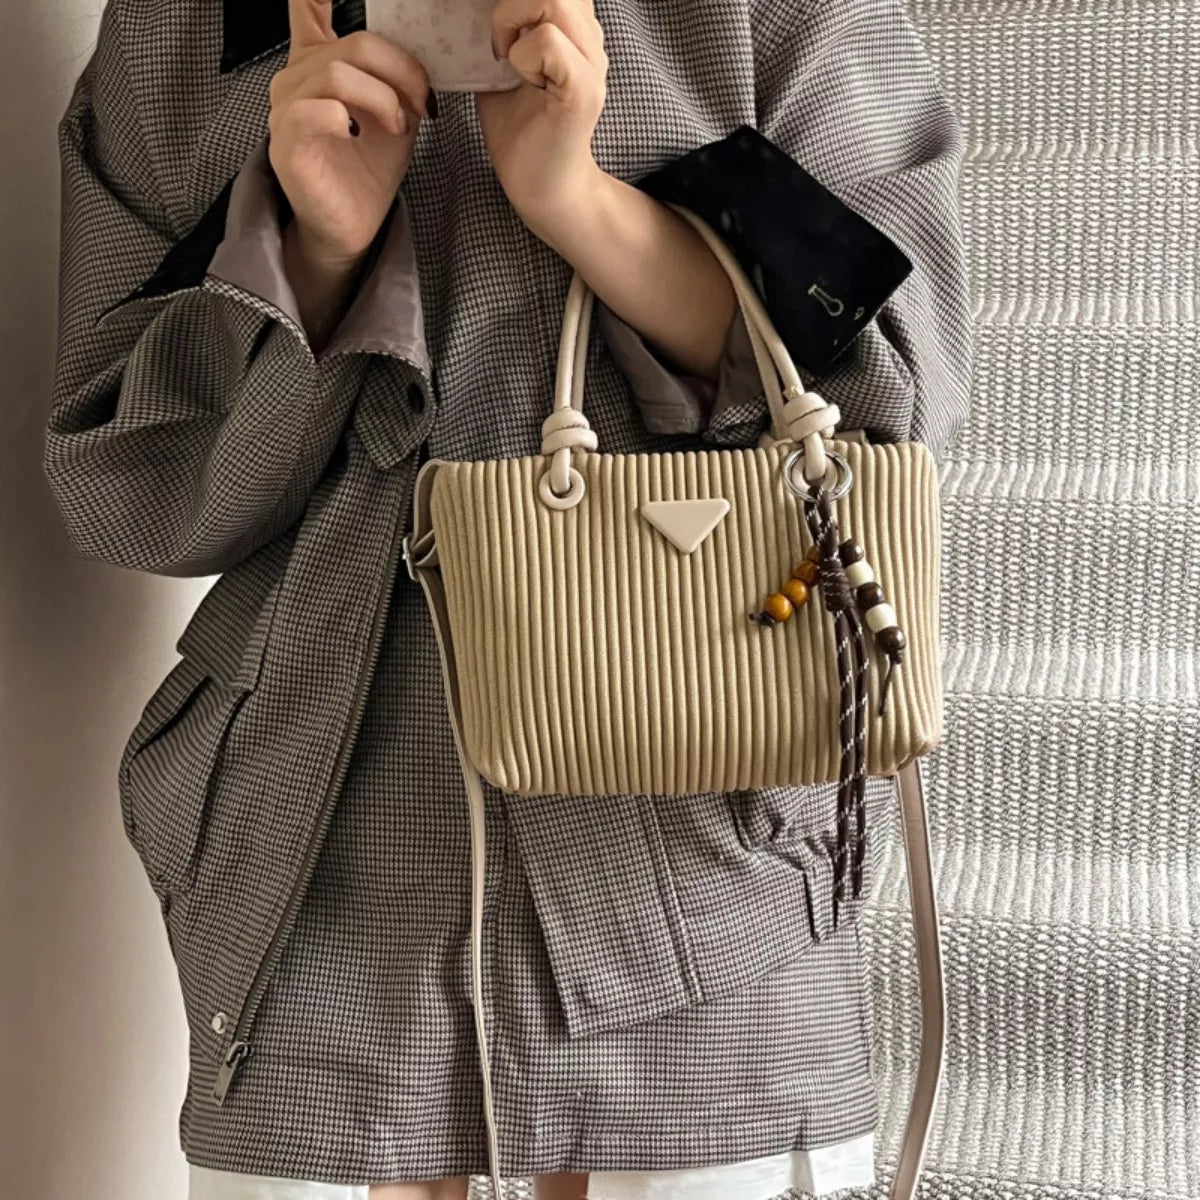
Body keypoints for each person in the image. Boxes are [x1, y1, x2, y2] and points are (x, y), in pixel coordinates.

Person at [44, 0, 973, 1198]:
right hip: (315, 867)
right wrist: (314, 254)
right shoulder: (185, 24)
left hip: (699, 857)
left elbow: (893, 401)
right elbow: (134, 492)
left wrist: (577, 201)